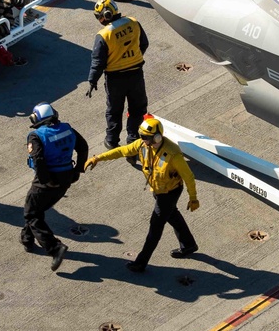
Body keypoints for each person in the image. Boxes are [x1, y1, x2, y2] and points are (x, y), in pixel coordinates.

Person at [84, 115, 199, 273]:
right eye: (142, 136)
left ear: (157, 137)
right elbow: (122, 151)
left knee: (155, 228)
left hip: (169, 192)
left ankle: (140, 263)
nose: (142, 139)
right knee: (172, 214)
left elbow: (189, 177)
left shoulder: (173, 154)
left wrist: (193, 198)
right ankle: (189, 245)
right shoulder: (143, 145)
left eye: (145, 137)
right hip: (158, 190)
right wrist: (98, 158)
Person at [22, 102, 89, 271]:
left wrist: (45, 180)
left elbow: (38, 159)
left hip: (46, 181)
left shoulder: (36, 136)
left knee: (31, 214)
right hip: (66, 178)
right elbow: (83, 147)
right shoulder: (67, 129)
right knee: (38, 209)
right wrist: (77, 170)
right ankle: (27, 239)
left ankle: (55, 248)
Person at [86, 0, 148, 154]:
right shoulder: (133, 22)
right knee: (137, 108)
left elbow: (98, 62)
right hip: (136, 75)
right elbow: (144, 43)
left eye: (98, 16)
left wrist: (93, 81)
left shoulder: (104, 35)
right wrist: (133, 58)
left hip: (115, 79)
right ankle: (133, 141)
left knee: (114, 110)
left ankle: (112, 140)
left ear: (105, 15)